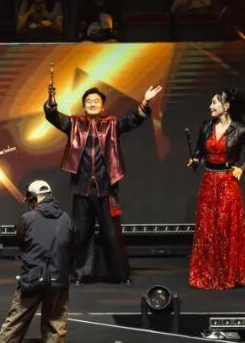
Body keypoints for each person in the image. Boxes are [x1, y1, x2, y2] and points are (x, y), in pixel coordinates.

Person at [45, 82, 163, 284]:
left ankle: (120, 275)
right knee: (81, 233)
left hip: (107, 187)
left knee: (111, 233)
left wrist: (144, 102)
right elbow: (53, 116)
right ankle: (81, 273)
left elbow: (133, 120)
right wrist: (51, 102)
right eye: (88, 101)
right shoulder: (74, 124)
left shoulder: (112, 125)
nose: (92, 103)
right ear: (84, 106)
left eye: (96, 101)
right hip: (82, 188)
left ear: (102, 107)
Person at [0, 181, 74, 343]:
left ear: (34, 199)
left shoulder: (27, 218)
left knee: (15, 323)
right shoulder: (66, 219)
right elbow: (72, 246)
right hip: (58, 279)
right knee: (55, 325)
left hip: (32, 279)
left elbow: (21, 241)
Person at [187, 89, 245, 290]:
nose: (210, 106)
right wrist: (195, 159)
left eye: (214, 103)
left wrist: (242, 168)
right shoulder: (206, 127)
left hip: (228, 182)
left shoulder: (240, 130)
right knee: (208, 229)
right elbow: (200, 152)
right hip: (209, 181)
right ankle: (208, 273)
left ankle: (228, 273)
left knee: (225, 228)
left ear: (226, 106)